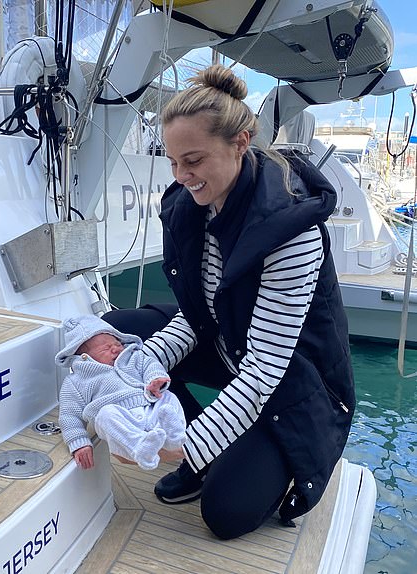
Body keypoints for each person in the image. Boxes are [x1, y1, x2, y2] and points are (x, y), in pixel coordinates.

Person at [102, 64, 355, 540]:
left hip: (293, 384)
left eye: (193, 161)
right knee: (117, 335)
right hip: (228, 348)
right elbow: (196, 319)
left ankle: (210, 450)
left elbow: (264, 369)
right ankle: (203, 445)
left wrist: (185, 445)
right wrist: (137, 367)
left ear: (240, 142)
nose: (181, 177)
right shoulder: (188, 206)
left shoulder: (291, 232)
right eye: (173, 162)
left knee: (227, 513)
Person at [55, 314, 186, 470]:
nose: (116, 348)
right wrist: (79, 442)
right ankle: (139, 447)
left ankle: (174, 436)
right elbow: (69, 415)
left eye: (117, 342)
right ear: (85, 357)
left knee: (168, 397)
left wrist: (155, 380)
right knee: (105, 414)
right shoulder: (76, 382)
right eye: (107, 348)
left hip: (149, 406)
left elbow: (151, 365)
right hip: (120, 423)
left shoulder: (134, 357)